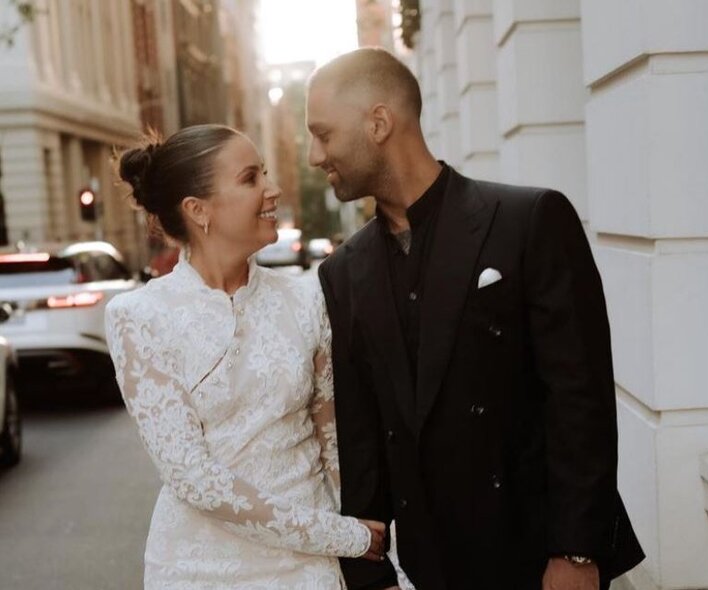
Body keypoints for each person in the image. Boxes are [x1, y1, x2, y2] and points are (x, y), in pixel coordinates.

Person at [310, 48, 645, 590]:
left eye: (323, 134)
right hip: (428, 568)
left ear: (378, 123)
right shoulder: (344, 272)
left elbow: (579, 397)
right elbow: (363, 435)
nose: (312, 154)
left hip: (538, 557)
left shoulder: (529, 220)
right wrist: (370, 577)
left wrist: (577, 552)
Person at [106, 124, 386, 589]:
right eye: (251, 178)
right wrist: (340, 535)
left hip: (310, 569)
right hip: (201, 570)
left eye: (266, 173)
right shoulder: (138, 317)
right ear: (198, 210)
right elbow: (192, 477)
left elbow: (332, 443)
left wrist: (366, 560)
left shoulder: (306, 299)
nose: (272, 190)